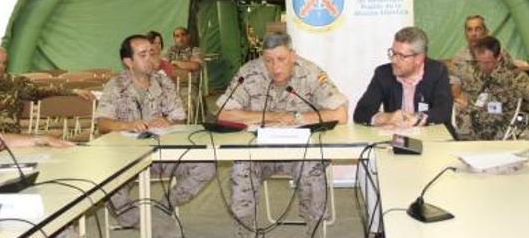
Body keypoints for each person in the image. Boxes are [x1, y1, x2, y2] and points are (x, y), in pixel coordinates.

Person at [218, 32, 348, 238]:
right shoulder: (249, 73)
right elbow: (224, 114)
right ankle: (245, 232)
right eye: (268, 60)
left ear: (293, 55)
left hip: (301, 152)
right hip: (259, 153)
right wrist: (271, 116)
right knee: (240, 167)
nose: (275, 67)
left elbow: (340, 114)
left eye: (281, 59)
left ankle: (314, 231)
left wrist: (297, 117)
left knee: (312, 168)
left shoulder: (310, 72)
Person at [95, 35, 215, 237]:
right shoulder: (116, 85)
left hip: (161, 155)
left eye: (153, 52)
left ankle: (162, 208)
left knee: (206, 166)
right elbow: (103, 124)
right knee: (108, 185)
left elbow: (179, 116)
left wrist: (168, 121)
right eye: (143, 55)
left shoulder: (163, 81)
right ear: (128, 62)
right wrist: (128, 125)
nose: (151, 58)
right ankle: (137, 218)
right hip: (126, 158)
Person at [0, 46, 93, 133]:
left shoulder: (15, 83)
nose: (1, 66)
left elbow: (41, 91)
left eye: (4, 63)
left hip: (7, 143)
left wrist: (73, 91)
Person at [455, 36, 529, 140]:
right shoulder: (479, 74)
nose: (482, 67)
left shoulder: (508, 78)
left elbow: (496, 109)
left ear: (498, 57)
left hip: (497, 130)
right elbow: (479, 98)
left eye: (486, 62)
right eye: (478, 61)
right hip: (479, 125)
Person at [353, 27, 453, 128]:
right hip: (396, 139)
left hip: (432, 139)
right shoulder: (383, 73)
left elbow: (443, 111)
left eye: (401, 56)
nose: (394, 60)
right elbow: (361, 112)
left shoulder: (437, 71)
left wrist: (416, 119)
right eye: (393, 53)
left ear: (419, 58)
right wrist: (389, 117)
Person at [449, 15, 518, 93]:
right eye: (469, 30)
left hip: (500, 100)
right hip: (472, 103)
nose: (473, 34)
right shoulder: (459, 59)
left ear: (486, 32)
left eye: (478, 29)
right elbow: (455, 89)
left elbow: (514, 75)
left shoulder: (499, 53)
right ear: (465, 34)